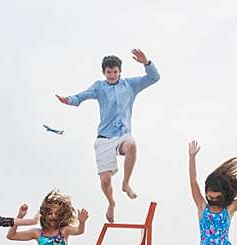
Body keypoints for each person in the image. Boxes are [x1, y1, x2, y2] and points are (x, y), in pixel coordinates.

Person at [56, 49, 160, 223]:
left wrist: (146, 63)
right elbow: (81, 96)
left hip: (123, 135)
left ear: (120, 72)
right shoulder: (99, 86)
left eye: (115, 72)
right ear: (104, 72)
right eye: (108, 72)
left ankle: (126, 184)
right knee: (105, 180)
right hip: (104, 138)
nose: (112, 75)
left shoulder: (130, 85)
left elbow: (154, 78)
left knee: (132, 145)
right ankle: (111, 203)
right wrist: (69, 100)